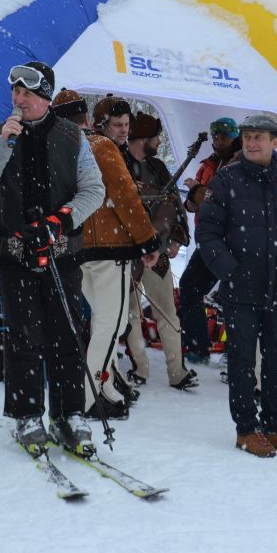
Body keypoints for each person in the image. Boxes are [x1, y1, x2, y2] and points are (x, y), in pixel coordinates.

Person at [0, 63, 104, 457]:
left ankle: (69, 415)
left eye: (27, 93)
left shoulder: (72, 136)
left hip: (62, 254)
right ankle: (26, 415)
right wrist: (1, 145)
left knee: (67, 336)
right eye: (15, 92)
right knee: (23, 338)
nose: (18, 99)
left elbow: (94, 191)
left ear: (46, 97)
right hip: (14, 255)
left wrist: (60, 222)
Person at [196, 114, 277, 457]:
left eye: (259, 137)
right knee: (241, 361)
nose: (252, 143)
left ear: (275, 142)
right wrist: (230, 270)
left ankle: (273, 426)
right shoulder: (226, 180)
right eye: (248, 137)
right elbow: (207, 232)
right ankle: (246, 430)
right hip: (241, 289)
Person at [51, 91, 159, 421]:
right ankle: (89, 395)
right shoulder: (99, 146)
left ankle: (106, 386)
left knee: (101, 321)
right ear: (86, 117)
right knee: (111, 325)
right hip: (109, 249)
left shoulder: (52, 148)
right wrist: (147, 240)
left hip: (73, 248)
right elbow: (124, 196)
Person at [123, 111, 197, 391]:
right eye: (156, 137)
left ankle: (177, 372)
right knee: (130, 314)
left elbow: (175, 205)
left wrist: (176, 238)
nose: (159, 142)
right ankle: (139, 369)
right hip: (126, 254)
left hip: (158, 253)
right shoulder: (119, 163)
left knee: (167, 312)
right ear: (144, 138)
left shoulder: (158, 167)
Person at [179, 116, 240, 365]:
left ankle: (236, 355)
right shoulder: (209, 164)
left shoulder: (240, 164)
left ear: (235, 137)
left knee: (235, 296)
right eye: (216, 136)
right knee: (189, 287)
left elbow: (220, 201)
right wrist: (193, 198)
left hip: (233, 241)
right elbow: (194, 204)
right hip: (209, 239)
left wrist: (198, 192)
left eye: (224, 136)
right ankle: (197, 347)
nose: (218, 140)